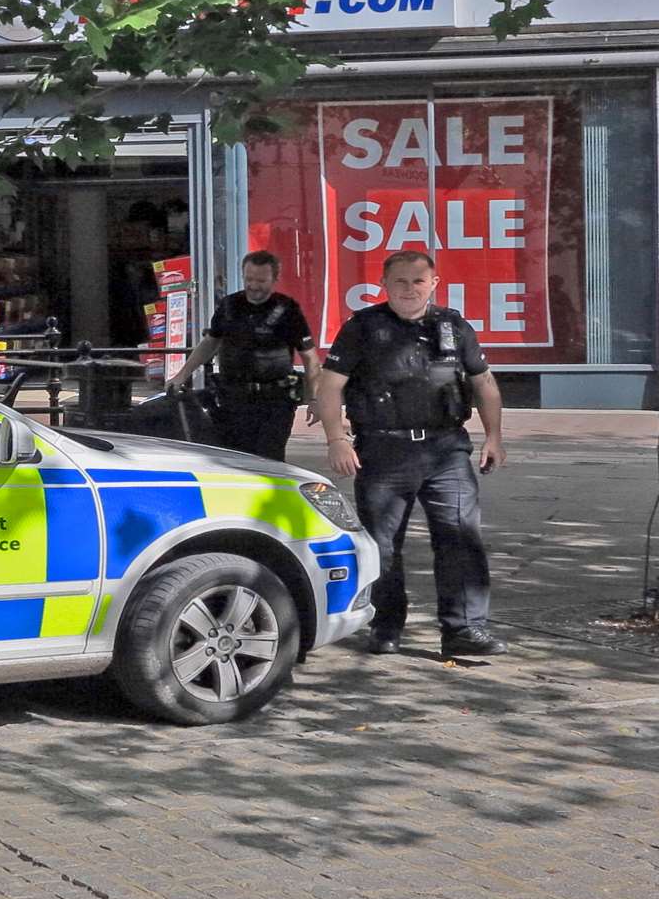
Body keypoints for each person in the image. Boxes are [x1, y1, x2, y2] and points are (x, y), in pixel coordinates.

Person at [315, 250, 508, 658]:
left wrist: (494, 437)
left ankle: (464, 630)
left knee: (460, 538)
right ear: (384, 284)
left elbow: (484, 382)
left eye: (418, 281)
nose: (409, 289)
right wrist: (337, 439)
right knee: (383, 546)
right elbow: (330, 386)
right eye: (400, 281)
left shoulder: (453, 326)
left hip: (446, 450)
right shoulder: (362, 328)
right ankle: (385, 626)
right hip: (384, 450)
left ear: (433, 284)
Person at [167, 251, 319, 461]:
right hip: (233, 399)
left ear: (275, 279)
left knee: (269, 461)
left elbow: (310, 358)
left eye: (261, 280)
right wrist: (181, 375)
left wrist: (314, 399)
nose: (254, 286)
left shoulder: (287, 310)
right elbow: (210, 342)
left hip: (273, 403)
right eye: (249, 279)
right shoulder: (229, 305)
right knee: (233, 460)